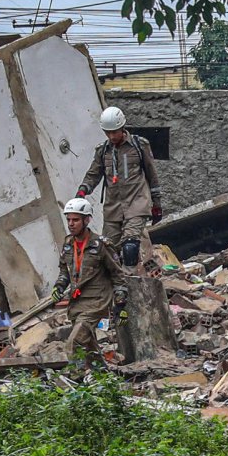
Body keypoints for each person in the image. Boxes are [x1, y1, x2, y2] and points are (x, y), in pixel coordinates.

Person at [76, 106, 162, 269]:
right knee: (108, 252)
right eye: (108, 132)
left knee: (130, 247)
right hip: (113, 208)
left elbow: (152, 175)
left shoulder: (139, 145)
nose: (111, 136)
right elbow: (94, 174)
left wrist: (157, 204)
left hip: (136, 203)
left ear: (122, 128)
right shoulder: (103, 151)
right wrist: (82, 191)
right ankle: (115, 288)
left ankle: (132, 283)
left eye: (115, 132)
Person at [51, 197, 127, 367]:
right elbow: (65, 270)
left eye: (76, 220)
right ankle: (102, 376)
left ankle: (75, 380)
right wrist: (59, 286)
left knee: (75, 341)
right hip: (77, 302)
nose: (71, 224)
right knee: (88, 344)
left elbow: (117, 274)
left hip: (97, 301)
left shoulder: (101, 244)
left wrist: (121, 304)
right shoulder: (68, 244)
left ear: (87, 220)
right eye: (69, 219)